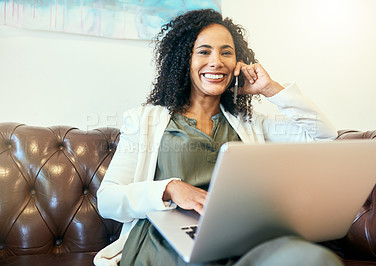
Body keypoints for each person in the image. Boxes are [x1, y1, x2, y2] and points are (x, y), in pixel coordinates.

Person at [94, 9, 342, 266]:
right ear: (184, 60)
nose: (216, 61)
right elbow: (108, 200)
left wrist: (270, 89)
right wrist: (169, 189)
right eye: (203, 51)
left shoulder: (251, 123)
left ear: (238, 62)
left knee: (315, 258)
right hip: (165, 239)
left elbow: (324, 137)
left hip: (237, 236)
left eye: (226, 52)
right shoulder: (143, 120)